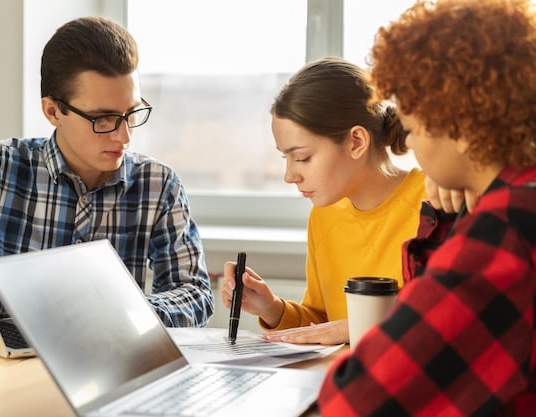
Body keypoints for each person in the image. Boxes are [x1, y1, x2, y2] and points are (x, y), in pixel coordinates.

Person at [318, 0, 536, 415]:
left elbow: (358, 401)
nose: (412, 144)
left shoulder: (505, 233)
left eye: (414, 128)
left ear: (459, 124)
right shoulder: (521, 199)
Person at [0, 16, 214, 328]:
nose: (123, 136)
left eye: (131, 113)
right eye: (103, 118)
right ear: (53, 111)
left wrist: (126, 309)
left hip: (112, 362)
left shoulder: (159, 185)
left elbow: (195, 294)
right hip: (0, 366)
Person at [221, 56, 427, 345]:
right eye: (286, 157)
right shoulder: (325, 215)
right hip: (344, 378)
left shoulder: (434, 202)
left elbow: (442, 319)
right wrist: (273, 308)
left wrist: (359, 327)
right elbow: (323, 324)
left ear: (356, 142)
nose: (289, 175)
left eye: (302, 157)